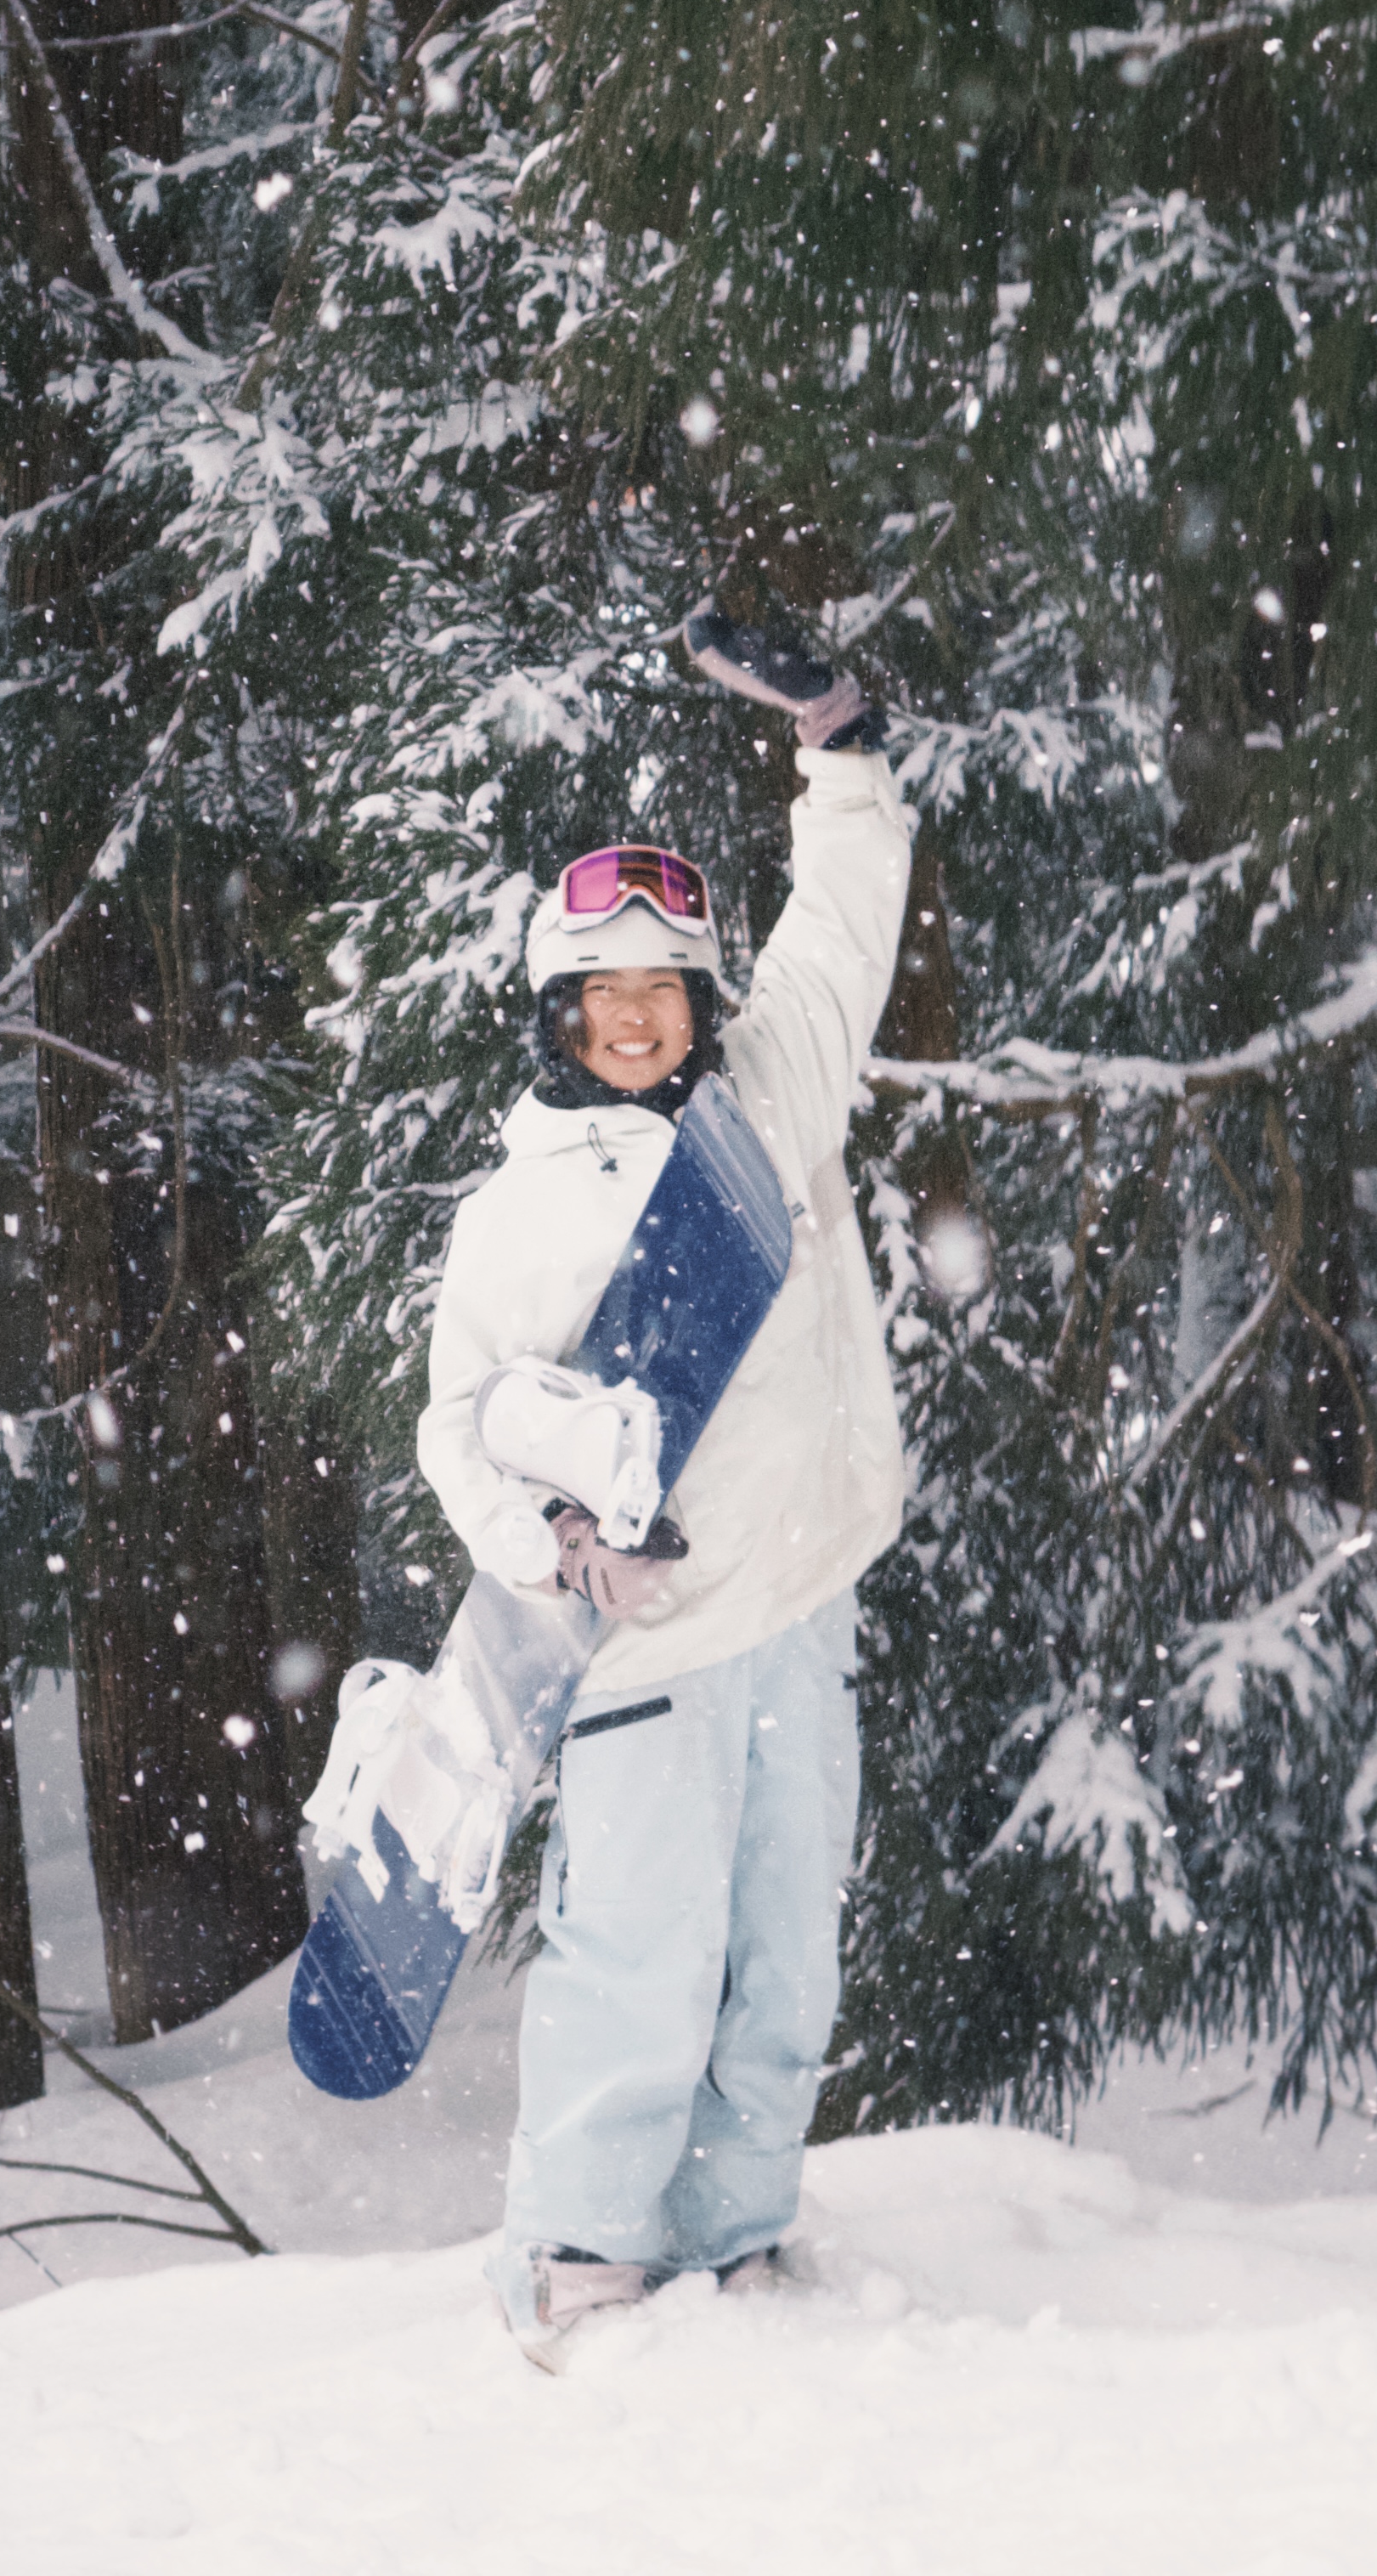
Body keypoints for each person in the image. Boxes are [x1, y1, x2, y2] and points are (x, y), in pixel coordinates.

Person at [415, 643, 912, 2361]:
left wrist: (840, 760)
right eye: (601, 999)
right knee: (638, 1943)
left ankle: (736, 2228)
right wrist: (546, 1539)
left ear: (704, 1003)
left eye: (664, 993)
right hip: (646, 1643)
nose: (636, 1023)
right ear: (558, 1016)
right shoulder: (516, 1214)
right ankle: (577, 2248)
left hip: (808, 1601)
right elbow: (456, 1433)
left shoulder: (770, 1096)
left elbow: (842, 934)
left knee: (785, 1954)